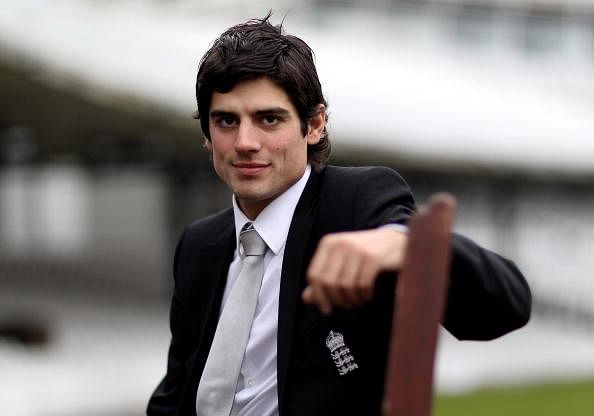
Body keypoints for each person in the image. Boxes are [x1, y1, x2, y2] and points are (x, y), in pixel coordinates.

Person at [147, 15, 531, 416]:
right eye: (227, 121)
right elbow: (177, 391)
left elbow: (507, 305)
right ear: (207, 136)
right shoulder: (199, 245)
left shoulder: (357, 203)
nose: (245, 142)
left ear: (314, 124)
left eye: (269, 119)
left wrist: (407, 244)